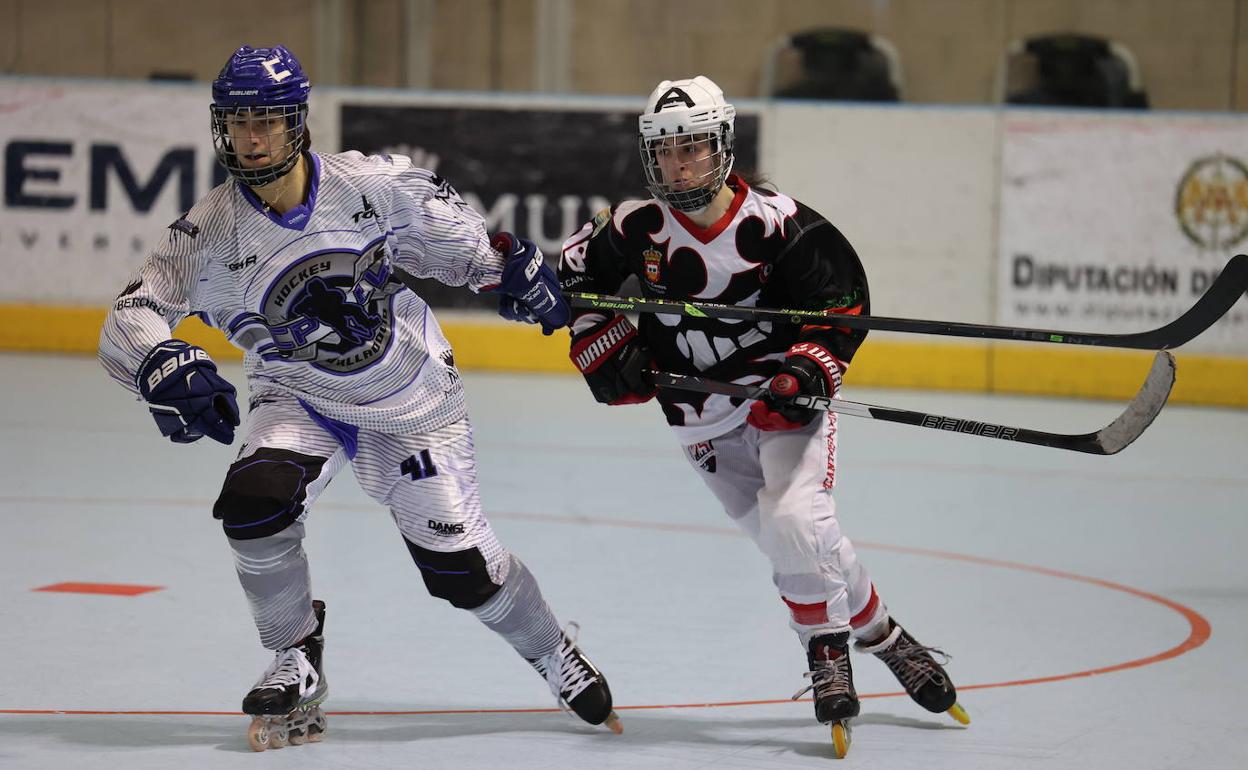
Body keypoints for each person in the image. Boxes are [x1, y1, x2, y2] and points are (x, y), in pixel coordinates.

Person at [98, 44, 620, 751]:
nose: (253, 139)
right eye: (238, 122)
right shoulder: (209, 232)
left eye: (268, 121)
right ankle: (295, 656)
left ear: (297, 123)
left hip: (411, 398)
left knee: (461, 573)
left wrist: (513, 273)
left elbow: (472, 256)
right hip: (299, 395)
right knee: (254, 505)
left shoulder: (374, 187)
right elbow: (130, 313)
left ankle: (552, 648)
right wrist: (159, 360)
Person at [557, 75, 967, 758]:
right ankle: (890, 639)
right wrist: (597, 342)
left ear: (722, 146)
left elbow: (841, 308)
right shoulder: (632, 227)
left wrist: (804, 369)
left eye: (691, 149)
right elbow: (574, 284)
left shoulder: (779, 226)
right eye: (664, 153)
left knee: (795, 521)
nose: (678, 165)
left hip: (784, 407)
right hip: (700, 417)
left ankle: (826, 653)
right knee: (795, 544)